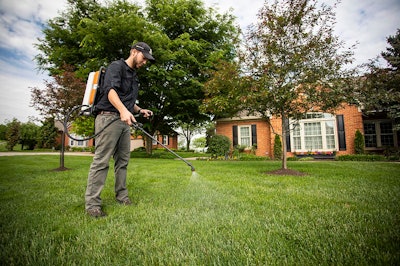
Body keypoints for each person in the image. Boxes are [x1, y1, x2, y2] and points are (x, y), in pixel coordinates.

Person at [85, 42, 155, 217]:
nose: (145, 62)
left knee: (122, 161)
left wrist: (139, 110)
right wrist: (123, 110)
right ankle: (92, 204)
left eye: (147, 59)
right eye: (144, 57)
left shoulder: (133, 75)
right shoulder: (116, 67)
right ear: (133, 52)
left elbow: (127, 99)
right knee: (101, 161)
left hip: (124, 121)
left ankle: (122, 196)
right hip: (108, 117)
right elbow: (110, 91)